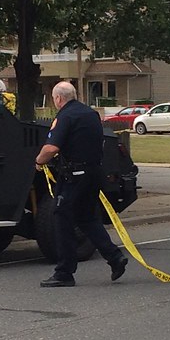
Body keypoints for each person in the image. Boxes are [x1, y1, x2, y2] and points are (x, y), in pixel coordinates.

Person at [34, 81, 128, 287]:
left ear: (58, 98)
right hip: (94, 173)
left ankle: (64, 272)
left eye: (54, 98)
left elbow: (51, 148)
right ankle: (115, 257)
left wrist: (39, 162)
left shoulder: (65, 116)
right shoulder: (90, 114)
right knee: (86, 218)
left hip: (73, 176)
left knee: (61, 218)